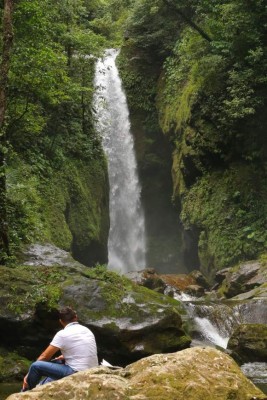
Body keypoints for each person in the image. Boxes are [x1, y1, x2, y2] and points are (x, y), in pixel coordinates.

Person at [22, 306, 99, 391]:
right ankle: (42, 386)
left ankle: (25, 393)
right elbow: (83, 350)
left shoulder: (63, 334)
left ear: (61, 321)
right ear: (76, 317)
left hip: (76, 372)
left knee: (36, 366)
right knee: (58, 361)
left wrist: (28, 374)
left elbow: (44, 356)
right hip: (92, 369)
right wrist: (64, 356)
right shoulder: (87, 330)